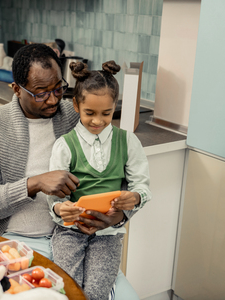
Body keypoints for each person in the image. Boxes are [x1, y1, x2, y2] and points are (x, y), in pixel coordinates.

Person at [0, 43, 81, 259]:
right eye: (41, 94)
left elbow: (114, 171)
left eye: (58, 88)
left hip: (72, 239)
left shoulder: (76, 118)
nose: (54, 100)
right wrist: (33, 184)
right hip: (11, 241)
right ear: (17, 89)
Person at [47, 61, 151, 300]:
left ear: (115, 105)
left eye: (106, 113)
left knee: (95, 293)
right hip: (70, 231)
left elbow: (142, 188)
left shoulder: (128, 142)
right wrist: (62, 209)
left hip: (109, 233)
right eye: (89, 113)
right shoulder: (65, 145)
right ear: (76, 105)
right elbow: (54, 197)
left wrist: (133, 198)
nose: (98, 121)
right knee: (68, 291)